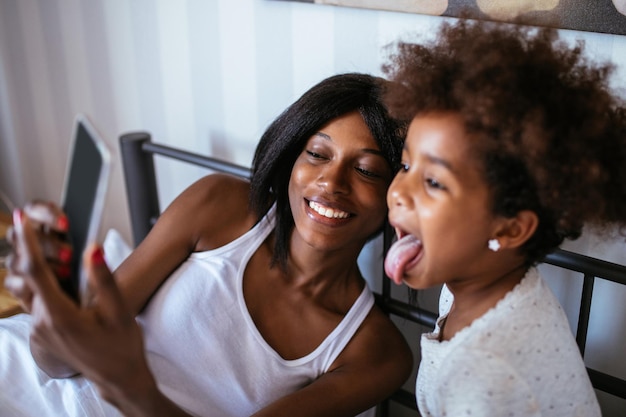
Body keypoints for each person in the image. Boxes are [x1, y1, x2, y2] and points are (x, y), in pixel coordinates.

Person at [2, 72, 412, 417]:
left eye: (366, 170)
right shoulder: (221, 205)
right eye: (318, 154)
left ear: (397, 193)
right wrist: (51, 305)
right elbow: (55, 364)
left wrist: (129, 385)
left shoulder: (375, 354)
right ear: (292, 159)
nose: (330, 183)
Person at [381, 19, 626, 417]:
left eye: (433, 182)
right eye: (405, 165)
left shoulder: (484, 376)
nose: (396, 191)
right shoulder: (476, 281)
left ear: (510, 228)